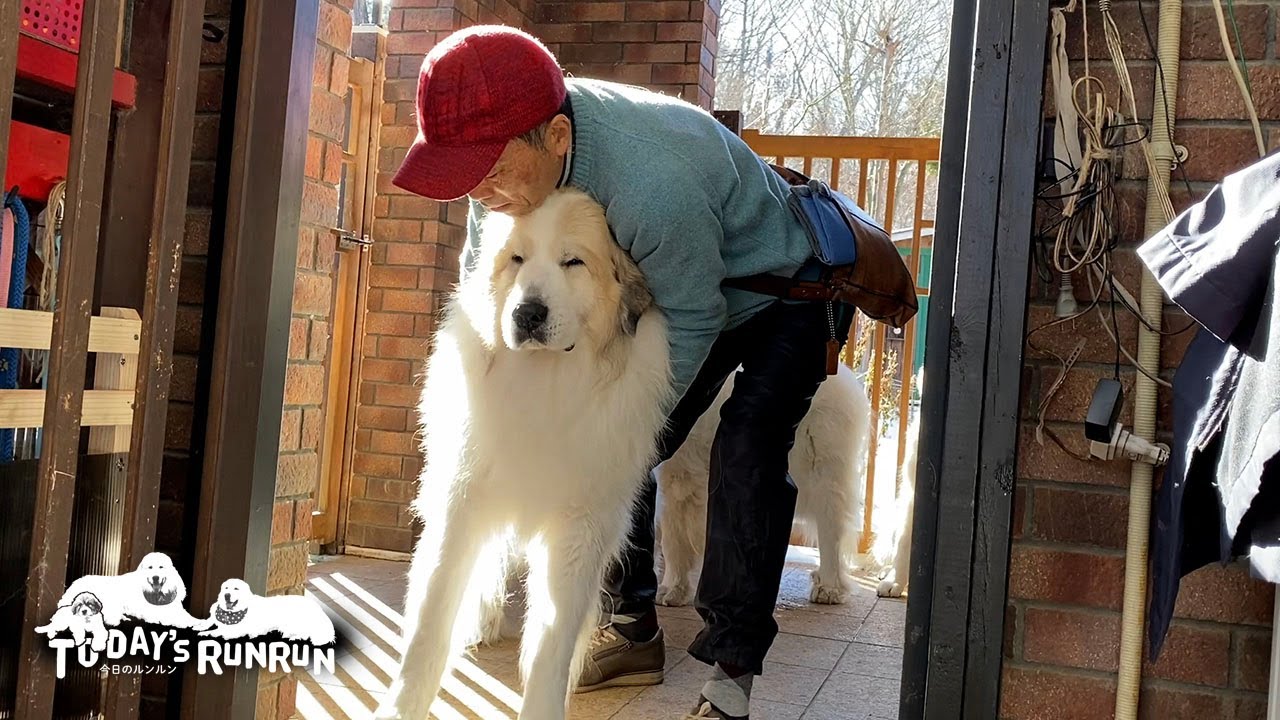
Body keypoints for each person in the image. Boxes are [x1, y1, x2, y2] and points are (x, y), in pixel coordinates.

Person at [391, 25, 909, 720]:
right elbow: (482, 274)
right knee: (631, 451)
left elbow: (693, 314)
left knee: (741, 447)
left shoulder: (649, 179)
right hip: (699, 282)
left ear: (557, 141)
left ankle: (731, 670)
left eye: (488, 167)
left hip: (788, 287)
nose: (477, 189)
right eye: (461, 170)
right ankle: (631, 623)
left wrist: (625, 434)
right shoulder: (511, 183)